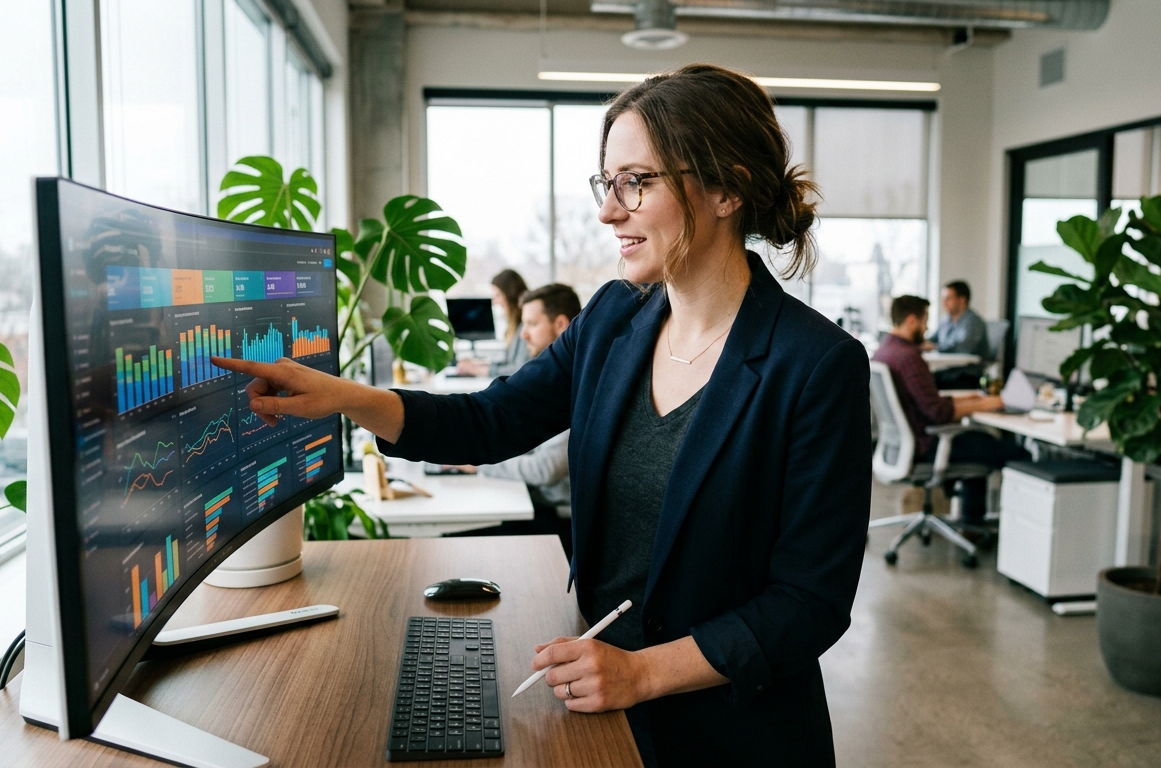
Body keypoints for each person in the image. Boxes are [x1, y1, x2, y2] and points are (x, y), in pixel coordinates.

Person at [214, 63, 871, 767]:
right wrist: (343, 397)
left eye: (636, 183)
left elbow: (809, 603)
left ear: (726, 189)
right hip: (598, 696)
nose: (608, 211)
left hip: (729, 730)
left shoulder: (815, 365)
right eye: (607, 183)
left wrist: (643, 671)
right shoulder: (616, 318)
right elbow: (494, 420)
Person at [447, 283, 582, 555]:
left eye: (532, 323)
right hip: (538, 503)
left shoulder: (576, 385)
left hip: (557, 520)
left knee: (454, 538)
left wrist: (480, 464)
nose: (523, 335)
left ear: (561, 325)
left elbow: (544, 469)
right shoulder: (551, 381)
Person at [875, 295, 1027, 527]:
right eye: (925, 321)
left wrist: (971, 399)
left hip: (904, 445)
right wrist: (990, 403)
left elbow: (927, 401)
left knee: (977, 439)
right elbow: (938, 412)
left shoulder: (885, 351)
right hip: (926, 446)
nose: (927, 328)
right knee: (1013, 452)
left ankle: (972, 523)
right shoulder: (910, 358)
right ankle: (993, 528)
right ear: (912, 320)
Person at [456, 269, 531, 377]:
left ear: (510, 295)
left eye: (498, 295)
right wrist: (479, 365)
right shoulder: (516, 325)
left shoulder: (525, 327)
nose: (494, 301)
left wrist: (477, 370)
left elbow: (518, 369)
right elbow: (509, 363)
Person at [925, 280, 989, 389]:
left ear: (962, 300)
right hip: (948, 371)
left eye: (948, 299)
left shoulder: (973, 322)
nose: (943, 303)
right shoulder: (946, 320)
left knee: (927, 385)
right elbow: (932, 340)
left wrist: (935, 347)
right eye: (943, 299)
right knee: (922, 380)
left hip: (967, 375)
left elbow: (963, 346)